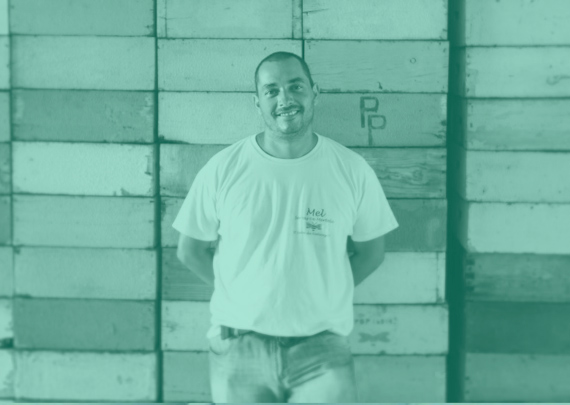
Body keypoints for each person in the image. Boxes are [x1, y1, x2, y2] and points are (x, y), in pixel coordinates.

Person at [172, 51, 399, 403]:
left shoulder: (352, 170)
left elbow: (372, 252)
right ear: (257, 102)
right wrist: (244, 293)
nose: (285, 99)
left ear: (314, 92)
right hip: (239, 348)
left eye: (295, 87)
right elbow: (190, 250)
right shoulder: (223, 169)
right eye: (272, 90)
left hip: (322, 350)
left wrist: (324, 292)